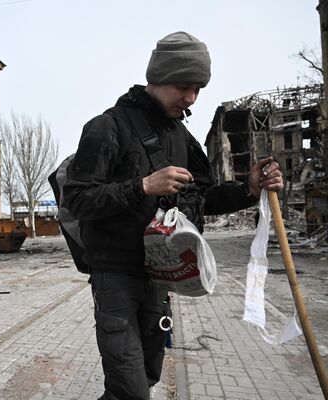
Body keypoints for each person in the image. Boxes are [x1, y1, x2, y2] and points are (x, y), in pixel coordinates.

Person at [62, 31, 283, 400]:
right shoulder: (107, 127)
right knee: (131, 390)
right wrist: (143, 186)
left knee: (144, 378)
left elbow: (201, 197)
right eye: (184, 86)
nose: (191, 98)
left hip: (158, 277)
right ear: (158, 78)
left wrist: (251, 189)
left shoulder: (181, 136)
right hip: (114, 276)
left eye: (198, 88)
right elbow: (78, 200)